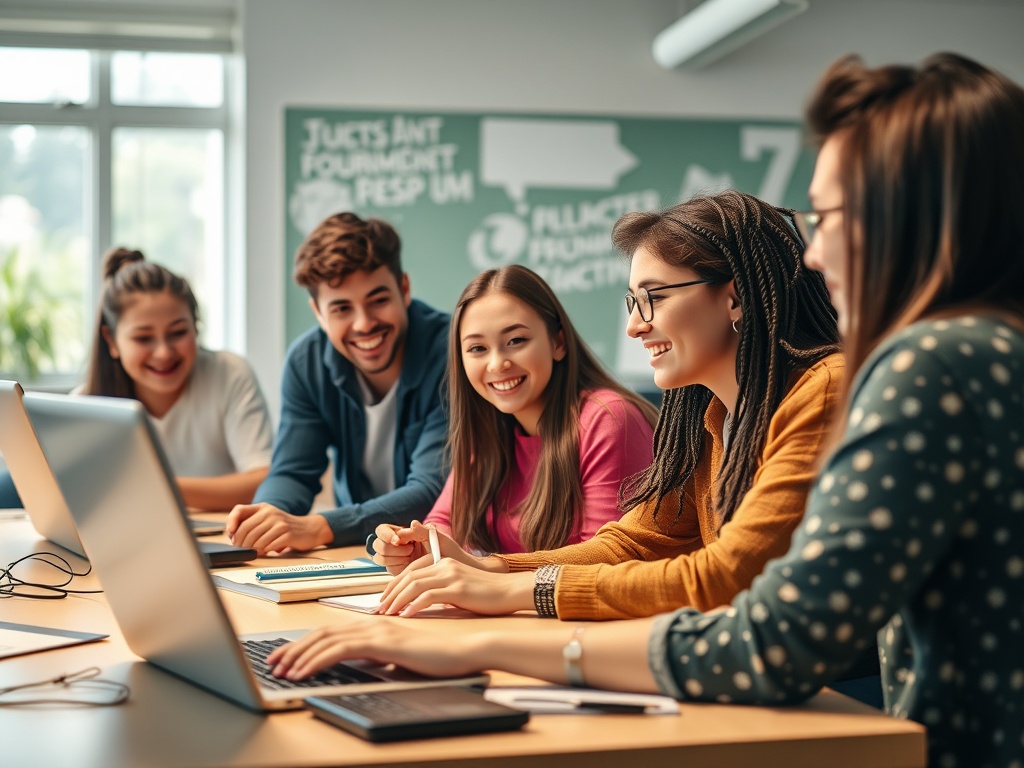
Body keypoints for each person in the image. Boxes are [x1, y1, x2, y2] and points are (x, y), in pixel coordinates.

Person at [268, 53, 1024, 768]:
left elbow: (752, 610)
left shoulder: (904, 369)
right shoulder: (717, 410)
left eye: (828, 217)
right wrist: (491, 573)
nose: (815, 254)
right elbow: (644, 541)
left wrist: (491, 624)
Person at [369, 189, 842, 620]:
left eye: (653, 298)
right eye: (632, 303)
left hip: (838, 696)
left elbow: (727, 576)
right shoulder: (710, 415)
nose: (635, 326)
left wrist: (520, 589)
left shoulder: (822, 390)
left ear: (735, 298)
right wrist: (487, 566)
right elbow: (633, 542)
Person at [226, 212, 450, 554]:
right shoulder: (307, 362)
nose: (363, 324)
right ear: (318, 312)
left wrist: (320, 526)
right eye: (342, 309)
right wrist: (268, 514)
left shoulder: (454, 352)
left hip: (433, 549)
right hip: (356, 549)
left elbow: (431, 489)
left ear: (404, 289)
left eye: (378, 300)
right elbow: (293, 472)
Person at [0, 247, 273, 512]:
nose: (164, 352)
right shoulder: (86, 403)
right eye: (143, 338)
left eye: (178, 332)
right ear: (112, 341)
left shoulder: (229, 373)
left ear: (196, 326)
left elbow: (262, 479)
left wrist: (155, 488)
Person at [421, 264, 657, 555]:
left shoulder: (609, 419)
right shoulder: (486, 429)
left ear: (558, 342)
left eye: (516, 341)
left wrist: (486, 570)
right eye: (477, 348)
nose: (496, 364)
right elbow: (443, 523)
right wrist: (417, 547)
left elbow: (602, 561)